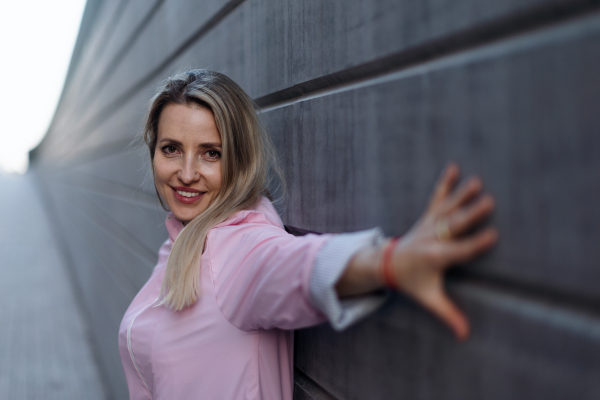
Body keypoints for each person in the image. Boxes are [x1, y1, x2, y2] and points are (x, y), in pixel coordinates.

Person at [118, 70, 498, 400]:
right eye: (171, 149)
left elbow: (295, 266)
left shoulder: (236, 246)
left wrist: (389, 262)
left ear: (240, 160)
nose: (186, 173)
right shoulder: (181, 243)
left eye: (210, 153)